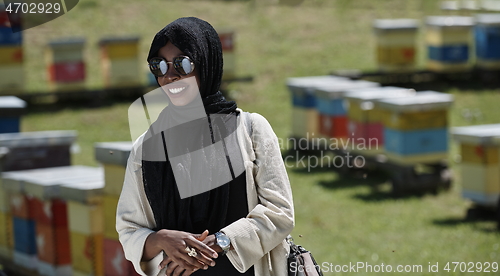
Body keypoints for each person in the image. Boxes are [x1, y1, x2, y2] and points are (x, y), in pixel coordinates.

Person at [116, 17, 294, 276]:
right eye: (159, 66)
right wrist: (160, 239)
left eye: (182, 63)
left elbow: (280, 213)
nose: (170, 76)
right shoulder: (146, 148)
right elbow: (129, 230)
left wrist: (222, 241)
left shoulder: (250, 129)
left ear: (206, 64)